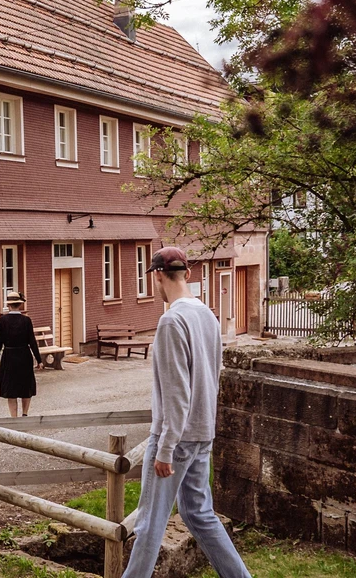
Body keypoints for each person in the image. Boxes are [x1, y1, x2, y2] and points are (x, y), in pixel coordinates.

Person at [123, 247, 250, 578]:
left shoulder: (171, 321)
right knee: (198, 514)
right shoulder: (208, 315)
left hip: (175, 439)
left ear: (158, 276)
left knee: (150, 523)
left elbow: (177, 395)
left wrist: (165, 449)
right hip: (202, 433)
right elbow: (213, 376)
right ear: (188, 274)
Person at [0, 291, 42, 418]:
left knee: (11, 389)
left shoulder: (3, 320)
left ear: (9, 306)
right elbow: (32, 341)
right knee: (26, 387)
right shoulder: (26, 321)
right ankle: (25, 414)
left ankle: (14, 418)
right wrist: (39, 360)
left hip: (9, 356)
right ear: (20, 305)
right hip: (24, 356)